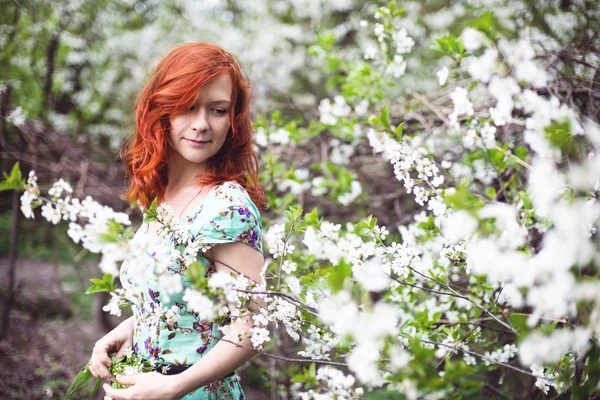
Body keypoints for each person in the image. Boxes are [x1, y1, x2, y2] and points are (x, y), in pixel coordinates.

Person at [88, 42, 267, 400]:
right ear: (161, 110)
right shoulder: (162, 198)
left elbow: (251, 328)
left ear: (232, 120)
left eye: (217, 110)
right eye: (187, 107)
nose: (201, 124)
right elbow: (183, 306)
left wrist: (173, 387)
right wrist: (128, 327)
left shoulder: (228, 207)